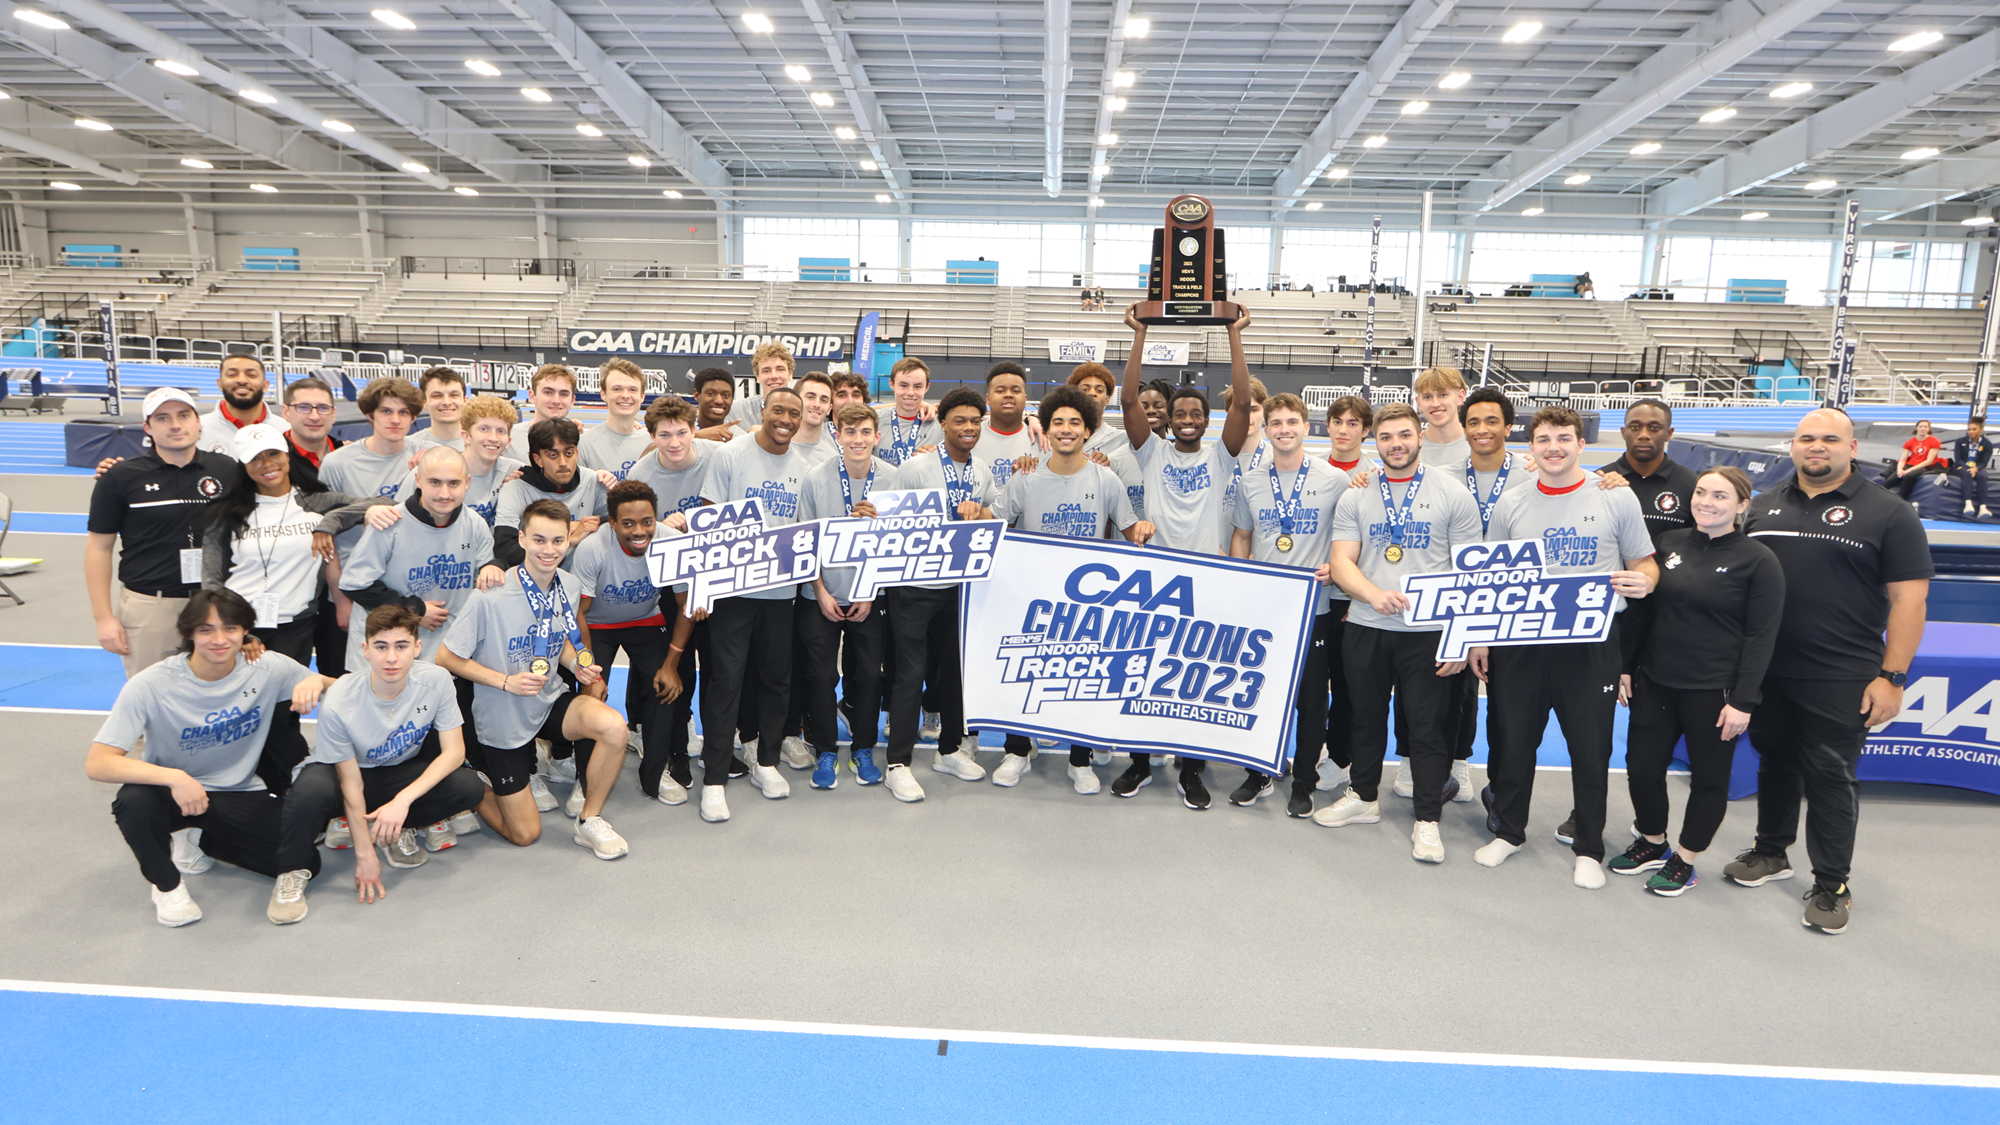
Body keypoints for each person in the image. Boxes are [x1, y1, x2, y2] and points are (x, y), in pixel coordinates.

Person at [1726, 408, 1931, 935]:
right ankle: (1772, 852)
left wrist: (1894, 676)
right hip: (1768, 671)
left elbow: (1910, 599)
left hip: (1841, 674)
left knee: (1831, 777)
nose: (1817, 447)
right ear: (1792, 446)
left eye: (1830, 439)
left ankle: (1832, 883)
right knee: (1775, 762)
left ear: (1853, 448)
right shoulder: (1763, 506)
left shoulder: (1889, 513)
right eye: (1807, 438)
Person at [1471, 405, 1657, 889]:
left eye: (1564, 438)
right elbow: (1494, 581)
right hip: (1522, 642)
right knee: (1514, 743)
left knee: (1590, 749)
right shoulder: (1512, 503)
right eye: (1545, 439)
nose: (1554, 447)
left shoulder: (1616, 497)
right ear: (1530, 447)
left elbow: (1646, 563)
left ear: (1581, 444)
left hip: (1589, 644)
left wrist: (1643, 582)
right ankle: (1509, 832)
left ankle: (1589, 847)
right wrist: (1484, 640)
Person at [86, 588, 332, 927]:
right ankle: (167, 887)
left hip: (237, 789)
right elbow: (98, 762)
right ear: (188, 633)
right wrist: (175, 777)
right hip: (173, 791)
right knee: (133, 801)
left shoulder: (267, 668)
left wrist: (317, 680)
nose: (219, 639)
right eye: (206, 630)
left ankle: (200, 836)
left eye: (230, 628)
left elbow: (347, 689)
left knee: (305, 861)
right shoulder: (152, 684)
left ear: (246, 631)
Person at [1319, 404, 1481, 861]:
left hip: (1428, 632)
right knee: (1364, 717)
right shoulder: (1356, 495)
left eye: (1404, 435)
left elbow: (1469, 574)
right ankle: (1364, 798)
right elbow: (1342, 561)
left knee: (1428, 728)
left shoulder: (1453, 494)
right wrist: (1371, 595)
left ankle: (1428, 819)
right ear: (1376, 441)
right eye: (1387, 437)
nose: (1396, 444)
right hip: (1368, 625)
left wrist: (1460, 638)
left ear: (1420, 437)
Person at [1613, 467, 1784, 896]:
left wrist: (1743, 700)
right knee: (1642, 768)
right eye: (1702, 492)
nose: (1707, 501)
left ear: (1742, 505)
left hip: (1715, 691)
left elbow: (1761, 636)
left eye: (1721, 496)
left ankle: (1686, 859)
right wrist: (1626, 667)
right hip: (1656, 681)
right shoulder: (1667, 544)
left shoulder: (1758, 561)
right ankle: (1653, 842)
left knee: (1709, 780)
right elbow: (1641, 614)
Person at [437, 499, 634, 858]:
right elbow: (446, 656)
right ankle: (475, 786)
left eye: (558, 541)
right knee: (525, 834)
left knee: (614, 727)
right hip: (503, 714)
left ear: (568, 540)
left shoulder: (569, 586)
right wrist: (505, 681)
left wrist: (576, 666)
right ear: (523, 539)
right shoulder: (489, 595)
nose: (549, 550)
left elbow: (557, 641)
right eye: (539, 540)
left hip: (547, 699)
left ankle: (588, 820)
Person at [1112, 307, 1254, 805]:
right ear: (1168, 421)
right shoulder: (1151, 451)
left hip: (1205, 577)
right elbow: (1128, 398)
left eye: (1197, 414)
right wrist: (1141, 334)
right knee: (1144, 667)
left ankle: (1190, 768)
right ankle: (1140, 763)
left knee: (1194, 674)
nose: (1188, 420)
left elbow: (1240, 406)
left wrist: (1233, 335)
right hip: (1153, 576)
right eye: (1180, 414)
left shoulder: (1222, 453)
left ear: (1207, 420)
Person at [269, 605, 489, 924]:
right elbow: (351, 783)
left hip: (396, 773)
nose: (391, 658)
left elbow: (454, 753)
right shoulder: (342, 699)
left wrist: (402, 801)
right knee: (309, 791)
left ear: (417, 648)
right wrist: (364, 854)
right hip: (345, 776)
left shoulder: (438, 680)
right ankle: (290, 871)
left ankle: (395, 828)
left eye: (401, 646)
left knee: (467, 786)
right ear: (365, 649)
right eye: (381, 647)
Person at [991, 385, 1154, 793]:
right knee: (1025, 673)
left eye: (1075, 423)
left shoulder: (1106, 478)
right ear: (1046, 429)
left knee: (1083, 678)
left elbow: (1129, 526)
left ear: (1088, 430)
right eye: (1058, 422)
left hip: (1086, 602)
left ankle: (1079, 760)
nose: (1066, 429)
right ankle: (1017, 750)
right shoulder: (1025, 477)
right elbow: (996, 525)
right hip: (1032, 598)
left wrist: (1143, 530)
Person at [693, 386, 813, 822]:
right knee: (726, 681)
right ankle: (715, 778)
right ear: (763, 410)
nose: (786, 418)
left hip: (781, 594)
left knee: (776, 680)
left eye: (794, 413)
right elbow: (708, 522)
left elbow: (807, 533)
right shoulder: (730, 456)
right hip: (733, 593)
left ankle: (766, 762)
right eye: (778, 409)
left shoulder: (807, 466)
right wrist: (704, 586)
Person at [1227, 393, 1346, 817]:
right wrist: (1242, 584)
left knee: (1312, 700)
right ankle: (1259, 771)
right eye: (1275, 422)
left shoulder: (1335, 479)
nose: (1283, 429)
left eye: (1291, 422)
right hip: (1266, 610)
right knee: (1260, 696)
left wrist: (1337, 566)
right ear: (1267, 428)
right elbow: (1241, 537)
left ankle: (1304, 782)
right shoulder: (1252, 480)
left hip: (1314, 609)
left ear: (1306, 426)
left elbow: (1353, 535)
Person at [885, 388, 1001, 799]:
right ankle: (898, 761)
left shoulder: (983, 470)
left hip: (960, 589)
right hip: (914, 588)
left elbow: (993, 517)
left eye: (975, 421)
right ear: (944, 424)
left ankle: (949, 749)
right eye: (959, 421)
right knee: (910, 676)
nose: (968, 428)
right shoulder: (917, 467)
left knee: (955, 673)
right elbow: (892, 523)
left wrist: (980, 512)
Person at [88, 388, 238, 677]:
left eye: (183, 415)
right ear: (147, 427)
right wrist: (103, 617)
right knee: (153, 702)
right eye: (163, 418)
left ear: (198, 422)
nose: (175, 425)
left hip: (217, 603)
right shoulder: (119, 477)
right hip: (151, 607)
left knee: (218, 698)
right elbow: (98, 549)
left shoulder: (227, 469)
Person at [795, 403, 895, 792]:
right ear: (837, 435)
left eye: (864, 432)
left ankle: (863, 748)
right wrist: (818, 591)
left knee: (870, 675)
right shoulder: (815, 478)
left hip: (871, 594)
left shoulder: (894, 479)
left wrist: (870, 590)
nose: (857, 440)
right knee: (820, 676)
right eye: (849, 432)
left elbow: (897, 544)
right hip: (819, 593)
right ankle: (824, 749)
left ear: (876, 436)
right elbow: (806, 541)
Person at [574, 480, 693, 804]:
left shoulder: (671, 542)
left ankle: (655, 774)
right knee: (590, 696)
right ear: (611, 523)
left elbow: (685, 605)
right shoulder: (592, 549)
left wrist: (671, 664)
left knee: (666, 688)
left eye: (647, 521)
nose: (639, 531)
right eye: (628, 524)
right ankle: (583, 780)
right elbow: (580, 615)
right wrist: (591, 673)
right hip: (597, 625)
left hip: (644, 620)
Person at [625, 395, 713, 798]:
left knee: (715, 663)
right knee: (677, 666)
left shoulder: (717, 457)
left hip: (713, 575)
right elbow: (634, 527)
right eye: (665, 435)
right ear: (652, 436)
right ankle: (676, 744)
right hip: (666, 582)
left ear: (694, 430)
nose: (674, 442)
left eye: (681, 432)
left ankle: (713, 740)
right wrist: (661, 526)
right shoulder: (643, 473)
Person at [492, 418, 608, 570]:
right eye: (553, 455)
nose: (563, 462)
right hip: (532, 583)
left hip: (580, 580)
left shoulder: (592, 480)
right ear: (538, 459)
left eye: (569, 453)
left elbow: (616, 523)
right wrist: (569, 538)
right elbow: (506, 550)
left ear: (577, 454)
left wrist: (594, 524)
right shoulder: (515, 489)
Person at [397, 394, 523, 526]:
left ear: (508, 441)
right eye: (484, 429)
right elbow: (396, 520)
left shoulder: (515, 472)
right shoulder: (430, 470)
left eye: (501, 431)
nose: (493, 438)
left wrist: (519, 486)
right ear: (466, 436)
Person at [1066, 362, 1146, 519]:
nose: (1092, 393)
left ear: (1108, 399)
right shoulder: (1055, 436)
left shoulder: (1123, 439)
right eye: (1085, 389)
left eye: (1099, 390)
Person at [196, 352, 290, 456]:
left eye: (252, 375)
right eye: (232, 375)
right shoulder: (197, 430)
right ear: (220, 384)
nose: (242, 380)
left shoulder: (286, 430)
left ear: (265, 385)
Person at [579, 358, 654, 478]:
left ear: (642, 397)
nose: (625, 395)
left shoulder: (655, 442)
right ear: (603, 394)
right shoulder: (584, 445)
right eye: (617, 389)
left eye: (633, 390)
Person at [978, 361, 1042, 490]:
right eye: (1001, 390)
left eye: (1016, 390)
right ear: (988, 398)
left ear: (1025, 398)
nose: (1008, 395)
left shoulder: (1042, 439)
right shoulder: (971, 437)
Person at [714, 341, 796, 435]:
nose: (774, 376)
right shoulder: (736, 411)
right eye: (766, 370)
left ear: (790, 374)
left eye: (780, 369)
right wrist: (749, 440)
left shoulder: (804, 412)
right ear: (757, 377)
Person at [876, 357, 942, 465]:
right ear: (891, 384)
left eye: (917, 386)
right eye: (903, 385)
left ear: (927, 387)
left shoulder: (941, 423)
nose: (910, 392)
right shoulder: (874, 420)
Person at [279, 375, 342, 488]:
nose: (314, 417)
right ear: (285, 412)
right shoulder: (273, 462)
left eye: (323, 408)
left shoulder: (348, 455)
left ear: (333, 414)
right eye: (303, 407)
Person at [506, 364, 579, 461]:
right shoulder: (508, 438)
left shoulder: (581, 441)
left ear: (572, 401)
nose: (556, 400)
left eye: (563, 394)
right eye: (548, 392)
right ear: (532, 396)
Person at [1412, 365, 1470, 467]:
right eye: (1427, 397)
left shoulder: (1479, 446)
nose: (1435, 404)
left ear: (1460, 397)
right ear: (1419, 403)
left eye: (1443, 395)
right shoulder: (1410, 449)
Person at [1885, 419, 1946, 507]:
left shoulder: (1934, 441)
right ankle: (1877, 498)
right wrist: (1899, 469)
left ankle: (1901, 501)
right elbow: (1902, 459)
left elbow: (1929, 461)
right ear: (1916, 428)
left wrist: (1908, 471)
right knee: (1891, 479)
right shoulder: (1910, 442)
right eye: (1921, 427)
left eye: (1925, 427)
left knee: (1908, 477)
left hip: (1924, 466)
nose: (1923, 429)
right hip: (1910, 464)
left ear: (1929, 429)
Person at [407, 367, 468, 452]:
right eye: (437, 396)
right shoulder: (409, 447)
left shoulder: (481, 445)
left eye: (454, 395)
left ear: (465, 400)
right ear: (424, 402)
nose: (446, 402)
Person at [1949, 417, 1993, 518]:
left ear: (1980, 430)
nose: (1971, 431)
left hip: (1978, 468)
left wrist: (1976, 468)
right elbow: (1958, 459)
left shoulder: (1987, 444)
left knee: (1982, 476)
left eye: (1974, 429)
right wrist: (1968, 467)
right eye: (1969, 429)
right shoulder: (1960, 441)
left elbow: (1984, 462)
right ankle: (1968, 504)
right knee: (1967, 473)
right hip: (1962, 467)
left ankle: (1983, 507)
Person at [692, 367, 737, 435]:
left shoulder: (740, 439)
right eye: (711, 394)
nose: (719, 401)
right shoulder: (679, 434)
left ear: (732, 398)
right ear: (697, 395)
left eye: (726, 395)